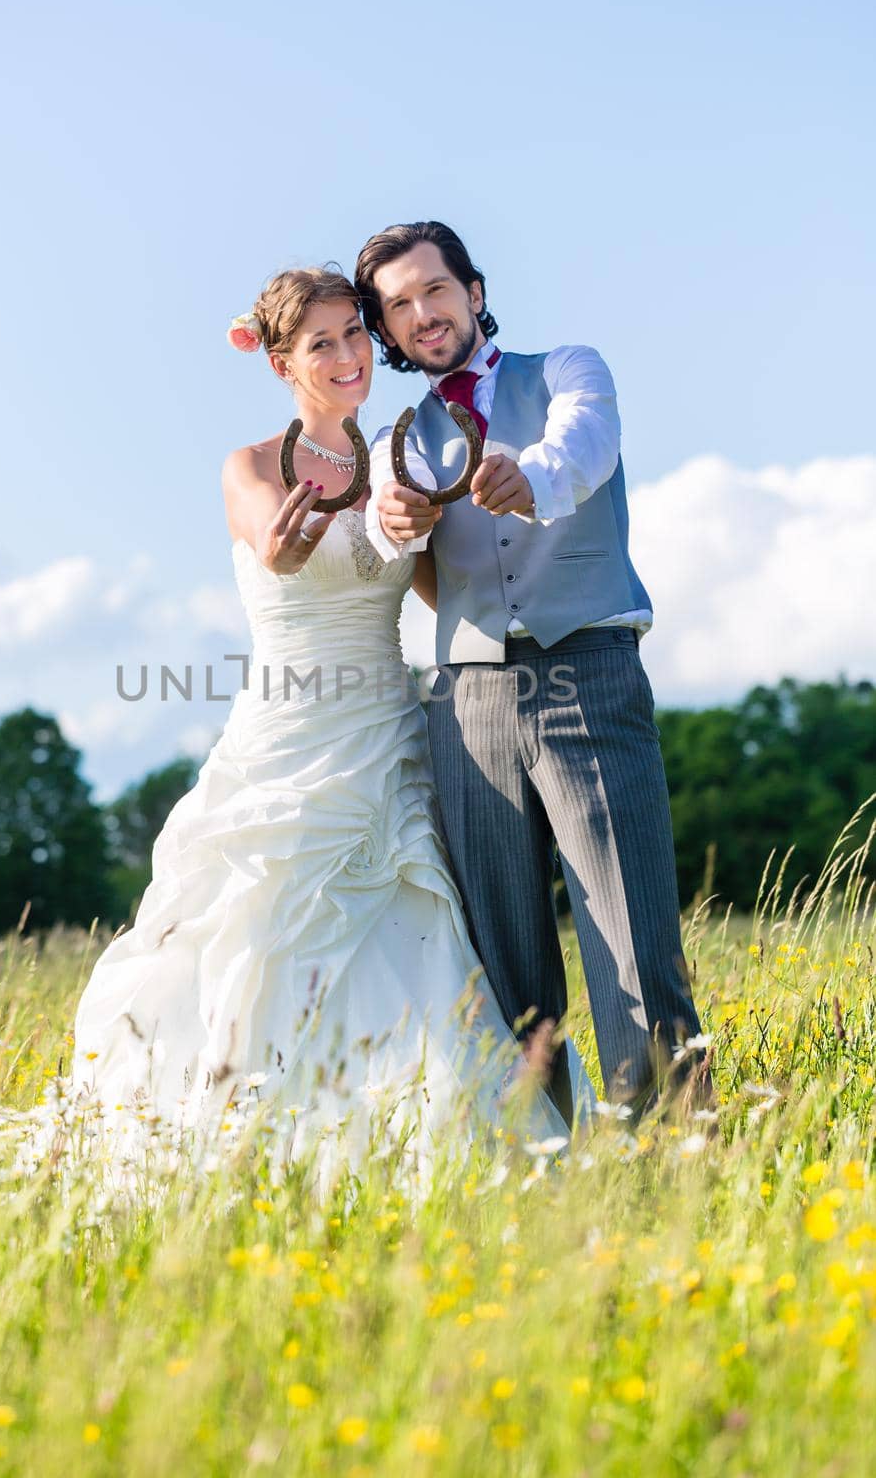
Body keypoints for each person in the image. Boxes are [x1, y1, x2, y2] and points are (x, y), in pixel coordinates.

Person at [71, 264, 595, 1173]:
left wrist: (451, 535)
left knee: (420, 922)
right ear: (282, 363)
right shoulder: (247, 467)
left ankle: (430, 1134)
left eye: (356, 334)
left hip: (389, 729)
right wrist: (296, 540)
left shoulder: (404, 458)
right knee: (253, 920)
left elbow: (445, 592)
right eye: (323, 343)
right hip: (288, 732)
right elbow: (276, 543)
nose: (351, 354)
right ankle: (248, 1130)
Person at [356, 220, 711, 1124]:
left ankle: (675, 1149)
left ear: (472, 293)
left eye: (434, 290)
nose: (422, 314)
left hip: (585, 668)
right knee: (503, 954)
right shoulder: (397, 440)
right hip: (465, 698)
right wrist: (388, 523)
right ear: (390, 335)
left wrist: (534, 475)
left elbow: (584, 443)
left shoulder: (565, 371)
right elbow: (406, 567)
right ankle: (549, 1161)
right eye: (398, 307)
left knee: (629, 934)